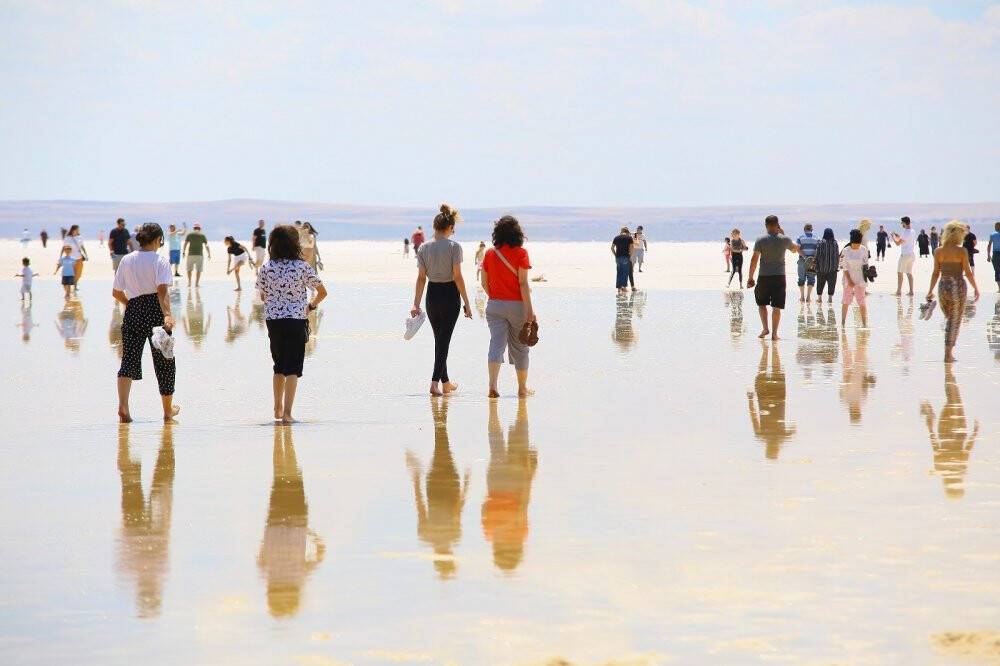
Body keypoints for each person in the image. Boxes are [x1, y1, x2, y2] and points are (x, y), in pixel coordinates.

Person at [256, 225, 328, 423]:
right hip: (296, 320)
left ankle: (277, 408)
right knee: (293, 368)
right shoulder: (301, 267)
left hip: (274, 322)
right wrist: (311, 306)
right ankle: (287, 413)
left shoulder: (266, 268)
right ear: (294, 244)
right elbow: (322, 292)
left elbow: (262, 295)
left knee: (279, 365)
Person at [112, 223, 178, 423]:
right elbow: (162, 290)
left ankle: (123, 406)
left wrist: (131, 305)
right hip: (156, 311)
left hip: (133, 310)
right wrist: (167, 314)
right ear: (158, 239)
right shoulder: (160, 260)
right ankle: (168, 411)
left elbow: (116, 292)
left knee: (128, 360)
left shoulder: (127, 259)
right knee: (164, 361)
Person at [258, 425, 324, 617]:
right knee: (279, 480)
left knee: (290, 479)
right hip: (275, 522)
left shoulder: (299, 577)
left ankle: (285, 441)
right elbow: (261, 558)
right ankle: (285, 441)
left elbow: (321, 551)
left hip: (295, 522)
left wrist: (308, 531)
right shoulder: (269, 576)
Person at [410, 204, 473, 396]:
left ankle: (446, 383)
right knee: (443, 341)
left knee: (440, 340)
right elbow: (458, 277)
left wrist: (416, 303)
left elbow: (421, 278)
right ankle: (434, 383)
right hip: (450, 295)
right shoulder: (454, 247)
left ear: (434, 227)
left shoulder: (423, 247)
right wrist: (467, 303)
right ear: (450, 228)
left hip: (432, 295)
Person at [405, 398, 469, 578]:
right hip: (438, 491)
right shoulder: (429, 536)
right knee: (442, 448)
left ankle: (440, 418)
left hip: (444, 491)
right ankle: (440, 417)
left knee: (443, 448)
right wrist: (416, 480)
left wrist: (466, 485)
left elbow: (421, 507)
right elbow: (457, 509)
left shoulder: (442, 536)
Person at [481, 215, 536, 398]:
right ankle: (522, 389)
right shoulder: (521, 253)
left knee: (496, 344)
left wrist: (496, 298)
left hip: (494, 305)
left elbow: (483, 282)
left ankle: (492, 385)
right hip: (517, 306)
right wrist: (530, 311)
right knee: (520, 347)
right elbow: (523, 284)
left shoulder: (490, 253)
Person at [920, 367, 980, 499]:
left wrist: (974, 433)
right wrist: (930, 428)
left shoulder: (957, 467)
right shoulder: (942, 467)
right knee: (953, 400)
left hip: (957, 432)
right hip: (947, 432)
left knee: (953, 400)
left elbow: (966, 450)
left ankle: (949, 375)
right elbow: (936, 446)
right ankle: (949, 375)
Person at [926, 220, 980, 363]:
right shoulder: (961, 251)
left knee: (949, 317)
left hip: (943, 286)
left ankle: (947, 348)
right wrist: (976, 288)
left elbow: (935, 273)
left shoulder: (938, 251)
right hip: (957, 286)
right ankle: (948, 354)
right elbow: (968, 273)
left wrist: (930, 290)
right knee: (954, 320)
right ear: (957, 235)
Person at [746, 215, 800, 341]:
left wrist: (750, 277)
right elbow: (794, 249)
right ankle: (774, 334)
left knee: (761, 304)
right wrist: (783, 234)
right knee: (776, 306)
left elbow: (754, 259)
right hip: (779, 277)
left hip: (763, 276)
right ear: (777, 225)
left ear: (766, 225)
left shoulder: (760, 240)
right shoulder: (784, 239)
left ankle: (765, 328)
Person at [840, 229, 870, 328]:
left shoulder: (863, 249)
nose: (857, 246)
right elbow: (844, 267)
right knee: (846, 301)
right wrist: (850, 281)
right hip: (848, 280)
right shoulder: (846, 250)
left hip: (860, 279)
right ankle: (843, 323)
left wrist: (869, 274)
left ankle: (864, 323)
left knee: (861, 301)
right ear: (852, 242)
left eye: (858, 244)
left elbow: (865, 265)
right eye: (855, 244)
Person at [891, 216, 916, 296]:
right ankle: (911, 291)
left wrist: (893, 237)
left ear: (904, 223)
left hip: (905, 255)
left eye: (902, 223)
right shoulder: (912, 231)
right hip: (911, 255)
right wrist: (898, 236)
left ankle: (898, 291)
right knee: (909, 273)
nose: (901, 224)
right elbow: (904, 240)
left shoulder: (905, 232)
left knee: (899, 273)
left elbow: (898, 243)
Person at [814, 228, 839, 304]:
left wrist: (815, 263)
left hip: (821, 267)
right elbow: (837, 255)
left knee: (820, 283)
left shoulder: (820, 243)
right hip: (833, 268)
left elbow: (817, 254)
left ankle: (819, 298)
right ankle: (830, 298)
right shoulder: (835, 243)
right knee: (832, 283)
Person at [796, 223, 819, 302]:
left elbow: (798, 249)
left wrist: (805, 257)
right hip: (812, 261)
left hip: (802, 260)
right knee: (811, 279)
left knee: (801, 279)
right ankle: (808, 297)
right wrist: (812, 259)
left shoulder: (800, 237)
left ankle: (802, 297)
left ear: (804, 229)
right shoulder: (816, 238)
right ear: (811, 229)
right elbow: (817, 250)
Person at [182, 223, 210, 287]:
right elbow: (206, 245)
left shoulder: (190, 235)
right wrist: (209, 254)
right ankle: (197, 284)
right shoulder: (202, 235)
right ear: (199, 228)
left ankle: (189, 283)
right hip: (199, 255)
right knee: (199, 270)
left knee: (189, 269)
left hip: (190, 255)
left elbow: (185, 244)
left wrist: (183, 252)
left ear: (193, 228)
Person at [63, 225, 88, 294]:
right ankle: (72, 287)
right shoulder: (67, 238)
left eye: (78, 230)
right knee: (71, 274)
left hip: (79, 258)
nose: (78, 231)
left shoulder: (80, 237)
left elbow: (82, 247)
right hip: (71, 259)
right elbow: (64, 247)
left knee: (78, 274)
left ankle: (73, 284)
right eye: (77, 230)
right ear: (73, 230)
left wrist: (86, 254)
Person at [611, 226, 634, 294]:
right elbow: (632, 247)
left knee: (619, 272)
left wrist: (615, 255)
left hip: (618, 258)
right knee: (625, 272)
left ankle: (619, 288)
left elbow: (612, 248)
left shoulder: (616, 237)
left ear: (621, 231)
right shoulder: (629, 238)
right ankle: (623, 287)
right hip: (626, 257)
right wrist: (630, 255)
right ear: (627, 232)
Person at [987, 221, 1000, 292]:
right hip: (995, 254)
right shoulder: (993, 234)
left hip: (996, 254)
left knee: (997, 271)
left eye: (995, 226)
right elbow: (989, 245)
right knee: (997, 271)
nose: (995, 227)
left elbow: (989, 245)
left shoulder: (992, 234)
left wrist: (988, 255)